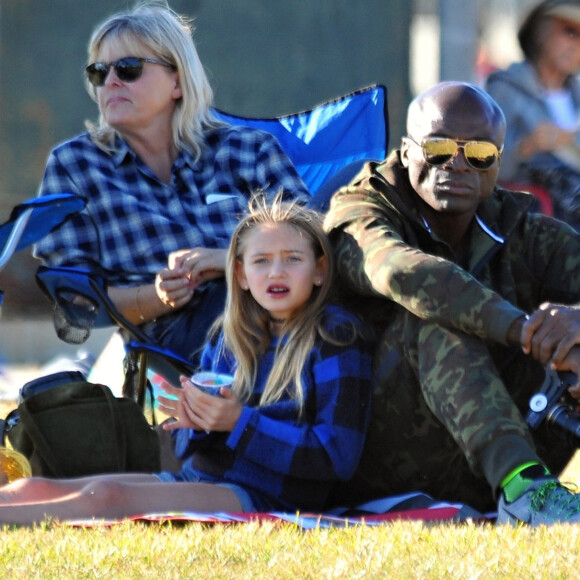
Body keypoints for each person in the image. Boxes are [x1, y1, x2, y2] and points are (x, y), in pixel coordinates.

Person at [0, 194, 373, 525]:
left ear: (320, 270)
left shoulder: (334, 336)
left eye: (293, 259)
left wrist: (239, 422)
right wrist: (193, 420)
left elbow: (336, 457)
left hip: (266, 498)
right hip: (201, 479)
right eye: (261, 261)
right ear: (240, 274)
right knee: (39, 485)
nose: (276, 272)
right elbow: (185, 451)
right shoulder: (231, 336)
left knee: (107, 496)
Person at [323, 80, 580, 526]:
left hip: (493, 450)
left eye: (479, 154)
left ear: (497, 164)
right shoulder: (361, 209)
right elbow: (402, 272)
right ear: (406, 152)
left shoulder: (523, 230)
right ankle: (527, 493)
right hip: (374, 454)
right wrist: (526, 330)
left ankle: (528, 489)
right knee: (438, 313)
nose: (457, 165)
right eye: (439, 148)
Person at [33, 1, 310, 365]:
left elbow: (314, 240)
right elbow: (75, 307)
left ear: (178, 80)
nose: (111, 81)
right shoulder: (76, 167)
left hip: (279, 309)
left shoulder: (247, 150)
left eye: (129, 69)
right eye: (99, 72)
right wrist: (156, 296)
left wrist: (231, 262)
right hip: (171, 342)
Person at [485, 0, 580, 229]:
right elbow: (482, 170)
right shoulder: (504, 89)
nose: (576, 44)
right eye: (569, 31)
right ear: (540, 32)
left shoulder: (577, 94)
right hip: (533, 222)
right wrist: (527, 146)